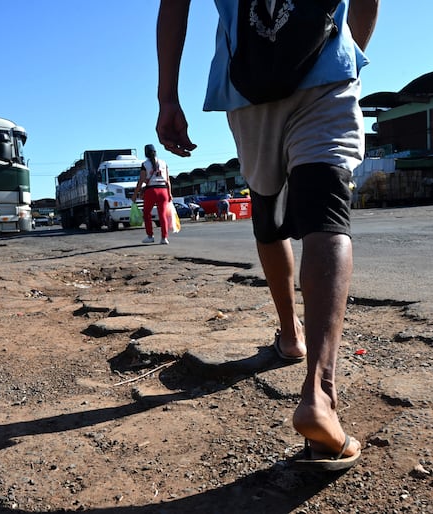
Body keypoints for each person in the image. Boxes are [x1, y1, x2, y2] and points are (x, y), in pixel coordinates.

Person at [155, 0, 379, 470]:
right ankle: (320, 395)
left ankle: (289, 335)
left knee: (267, 207)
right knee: (326, 215)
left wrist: (168, 97)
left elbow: (174, 4)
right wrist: (351, 49)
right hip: (324, 67)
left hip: (247, 85)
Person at [132, 144, 173, 244]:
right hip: (163, 191)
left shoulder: (145, 164)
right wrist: (170, 193)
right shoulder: (163, 163)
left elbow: (141, 181)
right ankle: (164, 238)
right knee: (162, 214)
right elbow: (168, 180)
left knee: (146, 213)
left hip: (151, 191)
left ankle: (150, 236)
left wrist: (135, 194)